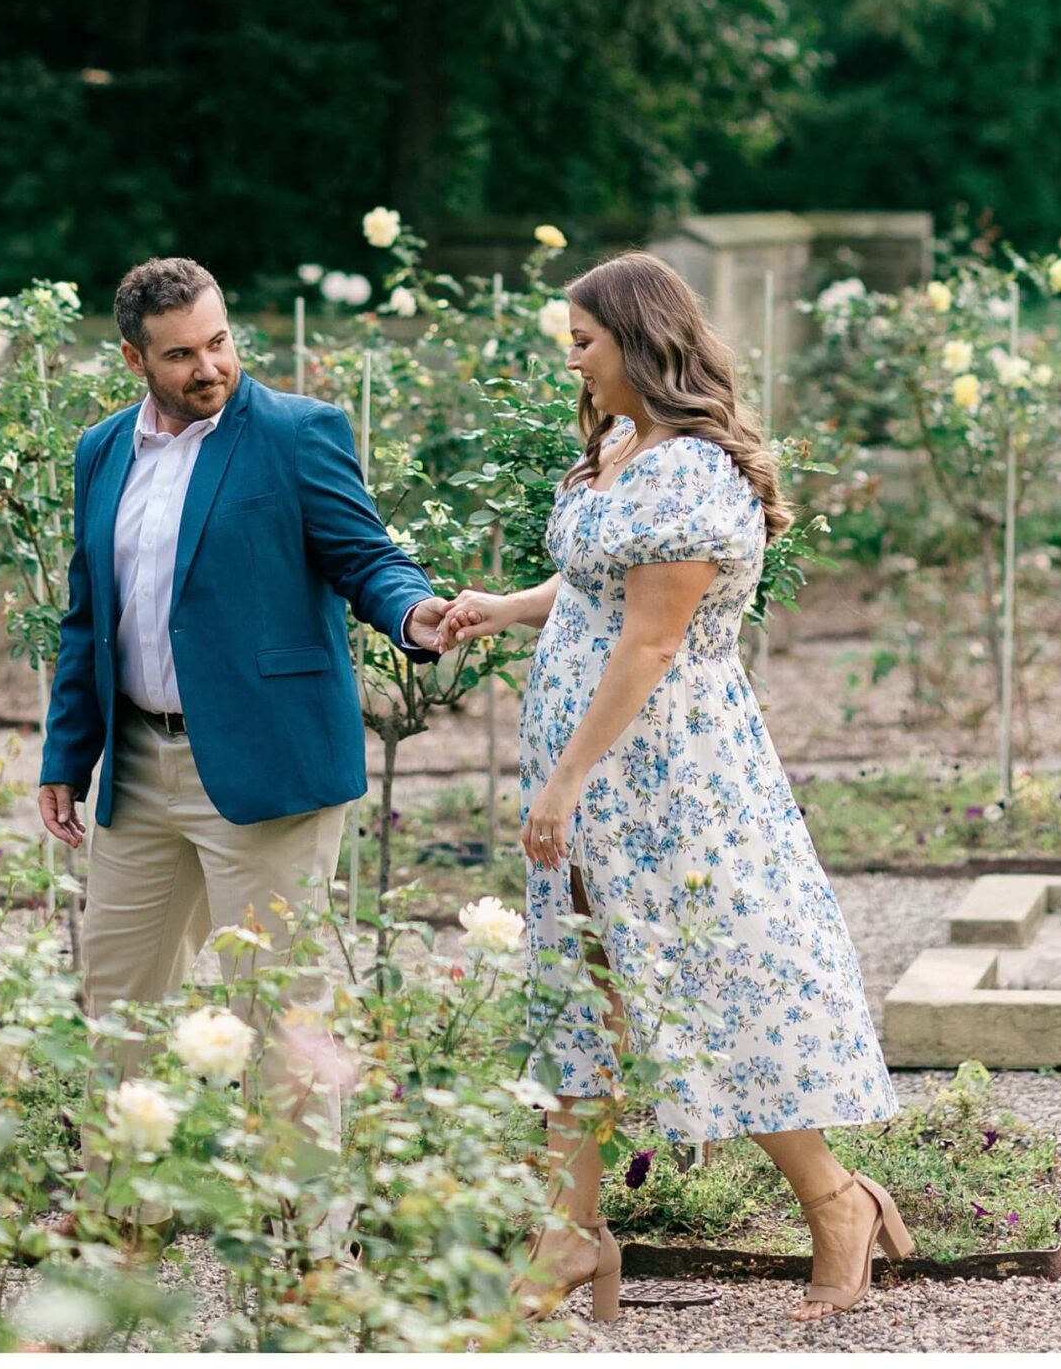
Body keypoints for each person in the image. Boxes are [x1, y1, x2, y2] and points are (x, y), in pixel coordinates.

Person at [438, 252, 912, 1324]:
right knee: (578, 989)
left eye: (584, 339)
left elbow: (650, 641)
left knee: (711, 987)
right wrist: (503, 606)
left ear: (641, 344)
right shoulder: (619, 446)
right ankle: (568, 1233)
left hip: (665, 773)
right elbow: (599, 580)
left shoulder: (694, 473)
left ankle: (837, 1202)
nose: (572, 357)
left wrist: (566, 779)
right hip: (587, 760)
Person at [37, 255, 450, 1146]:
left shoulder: (297, 433)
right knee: (118, 1004)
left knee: (279, 1012)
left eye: (219, 342)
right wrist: (66, 756)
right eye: (181, 354)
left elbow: (364, 555)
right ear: (133, 361)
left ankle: (306, 1249)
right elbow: (87, 614)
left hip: (267, 769)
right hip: (139, 769)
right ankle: (121, 1214)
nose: (210, 367)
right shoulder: (102, 449)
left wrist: (413, 612)